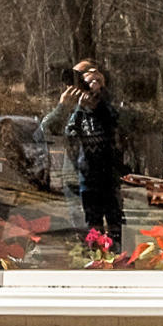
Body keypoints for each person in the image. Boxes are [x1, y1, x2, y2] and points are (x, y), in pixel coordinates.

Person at [38, 57, 126, 252]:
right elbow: (44, 132)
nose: (83, 83)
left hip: (108, 182)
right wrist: (64, 108)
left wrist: (102, 95)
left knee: (116, 236)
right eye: (77, 78)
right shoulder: (69, 108)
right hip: (77, 184)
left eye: (88, 75)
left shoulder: (108, 106)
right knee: (86, 238)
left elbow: (124, 125)